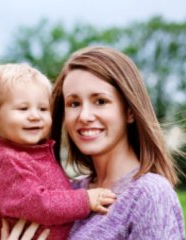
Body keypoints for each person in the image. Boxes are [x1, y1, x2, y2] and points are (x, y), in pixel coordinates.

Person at [50, 46, 185, 239]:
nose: (84, 116)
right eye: (74, 103)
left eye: (101, 101)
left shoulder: (149, 195)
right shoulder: (67, 193)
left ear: (129, 111)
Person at [0, 63, 116, 240]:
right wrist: (86, 200)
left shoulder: (37, 154)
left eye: (42, 108)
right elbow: (39, 203)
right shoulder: (7, 160)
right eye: (23, 108)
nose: (35, 116)